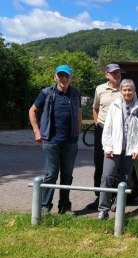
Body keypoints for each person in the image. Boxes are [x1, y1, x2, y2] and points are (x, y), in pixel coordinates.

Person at [28, 64, 82, 215]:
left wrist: (78, 131)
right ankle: (45, 206)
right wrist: (36, 131)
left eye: (67, 76)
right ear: (55, 77)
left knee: (67, 175)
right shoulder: (46, 93)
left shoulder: (75, 93)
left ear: (71, 78)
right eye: (61, 75)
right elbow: (32, 111)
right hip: (51, 141)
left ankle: (64, 206)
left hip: (70, 141)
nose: (63, 78)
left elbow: (78, 113)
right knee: (51, 175)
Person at [97, 79, 138, 220]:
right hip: (113, 149)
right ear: (121, 91)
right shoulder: (115, 106)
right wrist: (107, 147)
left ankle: (118, 207)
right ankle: (103, 209)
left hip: (130, 151)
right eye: (124, 90)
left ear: (134, 91)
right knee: (107, 177)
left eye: (130, 90)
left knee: (124, 180)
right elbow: (107, 129)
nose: (127, 92)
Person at [86, 64, 122, 210]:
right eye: (114, 73)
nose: (117, 75)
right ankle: (99, 197)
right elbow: (95, 108)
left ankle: (114, 197)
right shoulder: (100, 89)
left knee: (116, 165)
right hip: (101, 130)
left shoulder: (125, 88)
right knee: (99, 164)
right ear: (107, 75)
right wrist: (97, 125)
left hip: (118, 132)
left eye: (119, 73)